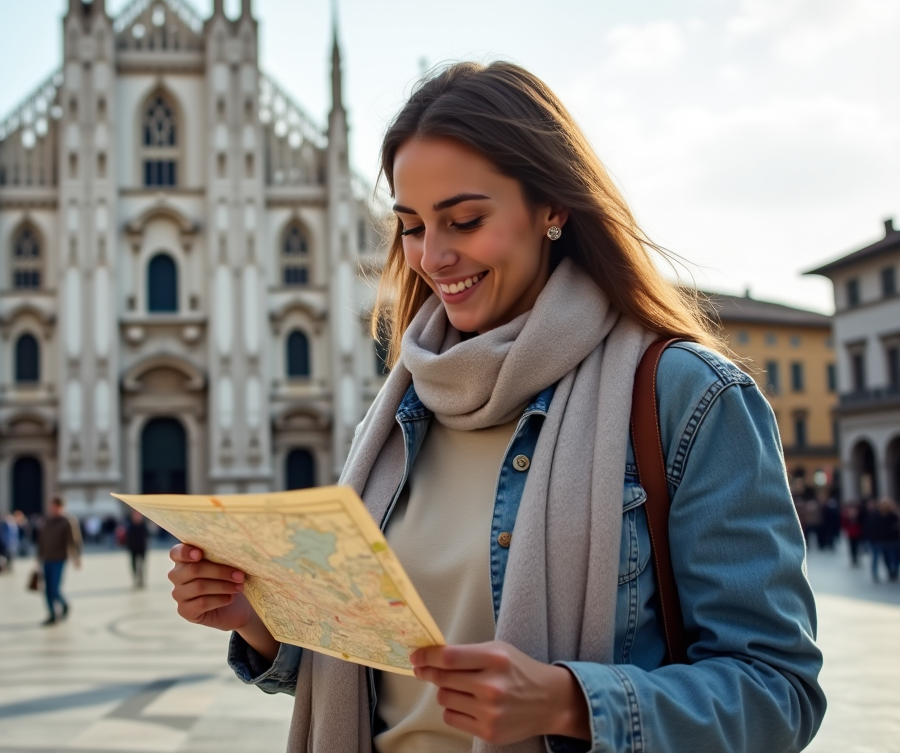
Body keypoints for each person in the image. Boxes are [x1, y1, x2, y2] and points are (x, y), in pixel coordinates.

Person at [167, 62, 825, 751]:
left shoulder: (684, 395)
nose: (434, 256)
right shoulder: (403, 405)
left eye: (465, 220)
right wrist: (258, 619)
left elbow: (778, 692)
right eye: (412, 226)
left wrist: (571, 703)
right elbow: (380, 668)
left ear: (553, 207)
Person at [36, 495, 81, 625]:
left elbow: (75, 541)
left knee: (55, 588)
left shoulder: (67, 521)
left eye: (55, 506)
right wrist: (38, 557)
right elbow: (41, 541)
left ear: (61, 507)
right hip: (46, 558)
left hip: (59, 558)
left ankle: (64, 604)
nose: (52, 509)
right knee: (46, 589)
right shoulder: (45, 520)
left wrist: (76, 558)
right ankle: (52, 614)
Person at [876, 497, 900, 581]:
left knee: (895, 556)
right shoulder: (878, 515)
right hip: (884, 540)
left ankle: (894, 571)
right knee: (887, 557)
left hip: (893, 540)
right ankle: (890, 570)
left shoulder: (893, 515)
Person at [124, 511, 149, 589]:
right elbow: (128, 537)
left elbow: (147, 535)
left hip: (142, 547)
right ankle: (135, 579)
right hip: (133, 548)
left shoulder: (143, 525)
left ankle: (141, 580)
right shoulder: (130, 525)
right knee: (134, 564)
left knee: (142, 565)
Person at [842, 501, 863, 567]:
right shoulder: (846, 514)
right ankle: (853, 558)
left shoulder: (859, 514)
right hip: (851, 533)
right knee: (852, 546)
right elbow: (844, 524)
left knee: (857, 546)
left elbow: (861, 523)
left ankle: (857, 558)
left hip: (858, 533)